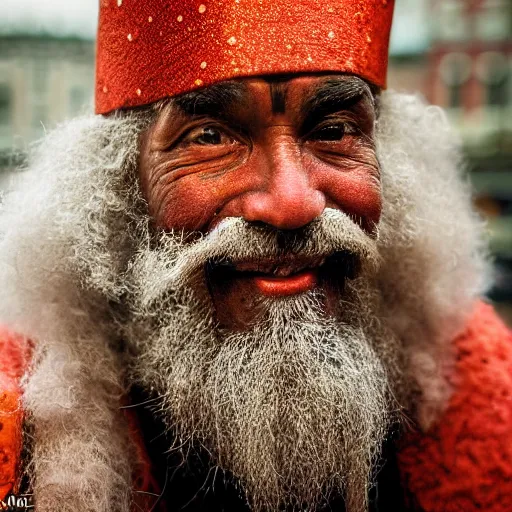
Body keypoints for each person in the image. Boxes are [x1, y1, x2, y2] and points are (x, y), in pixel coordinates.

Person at [0, 1, 510, 511]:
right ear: (118, 189)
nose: (291, 203)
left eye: (332, 132)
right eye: (210, 137)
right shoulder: (19, 430)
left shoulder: (487, 410)